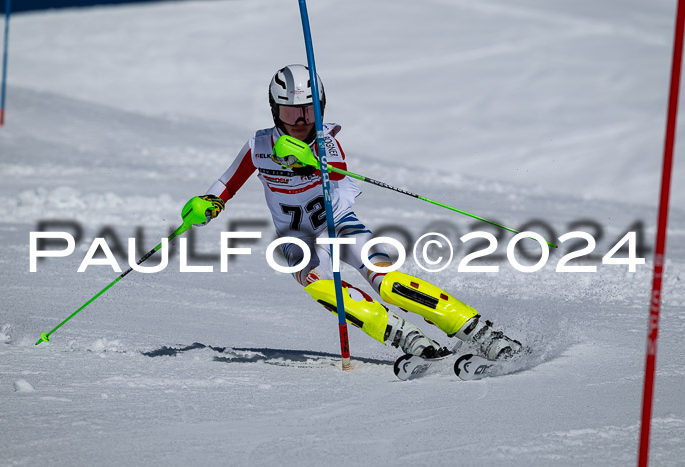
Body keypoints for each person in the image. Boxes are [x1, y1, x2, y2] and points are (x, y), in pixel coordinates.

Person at [186, 64, 523, 360]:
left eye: (309, 109)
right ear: (275, 111)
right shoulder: (257, 146)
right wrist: (210, 203)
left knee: (389, 283)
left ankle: (478, 331)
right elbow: (226, 183)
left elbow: (336, 169)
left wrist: (306, 160)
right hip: (297, 239)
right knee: (321, 287)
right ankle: (405, 337)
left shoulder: (324, 139)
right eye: (291, 112)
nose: (301, 120)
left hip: (340, 226)